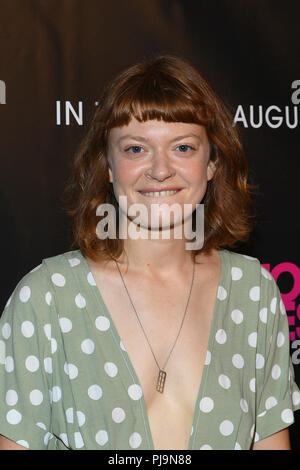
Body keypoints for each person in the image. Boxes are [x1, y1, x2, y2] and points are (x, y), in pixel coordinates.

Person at [0, 55, 299, 451]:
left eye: (183, 147)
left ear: (212, 162)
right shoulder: (45, 300)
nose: (160, 170)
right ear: (107, 165)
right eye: (136, 148)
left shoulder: (255, 292)